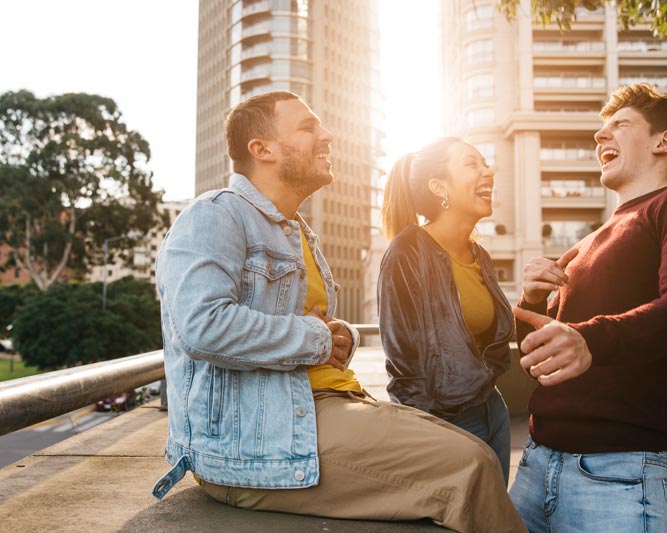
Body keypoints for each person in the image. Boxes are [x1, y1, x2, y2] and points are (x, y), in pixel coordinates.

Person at [151, 92, 525, 533]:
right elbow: (201, 327)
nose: (326, 134)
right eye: (308, 127)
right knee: (472, 464)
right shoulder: (214, 216)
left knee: (467, 448)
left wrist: (338, 335)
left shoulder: (300, 234)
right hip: (257, 442)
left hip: (322, 407)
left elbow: (304, 329)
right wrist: (317, 338)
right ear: (262, 149)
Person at [508, 83, 667, 532]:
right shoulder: (590, 240)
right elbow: (542, 359)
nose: (599, 137)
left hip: (618, 472)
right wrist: (531, 300)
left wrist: (588, 338)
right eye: (601, 129)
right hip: (536, 462)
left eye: (619, 126)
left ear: (662, 142)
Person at [378, 138, 515, 483]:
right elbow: (404, 364)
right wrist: (424, 439)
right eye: (472, 164)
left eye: (486, 163)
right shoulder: (408, 251)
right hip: (443, 422)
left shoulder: (479, 256)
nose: (488, 171)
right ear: (440, 187)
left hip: (492, 411)